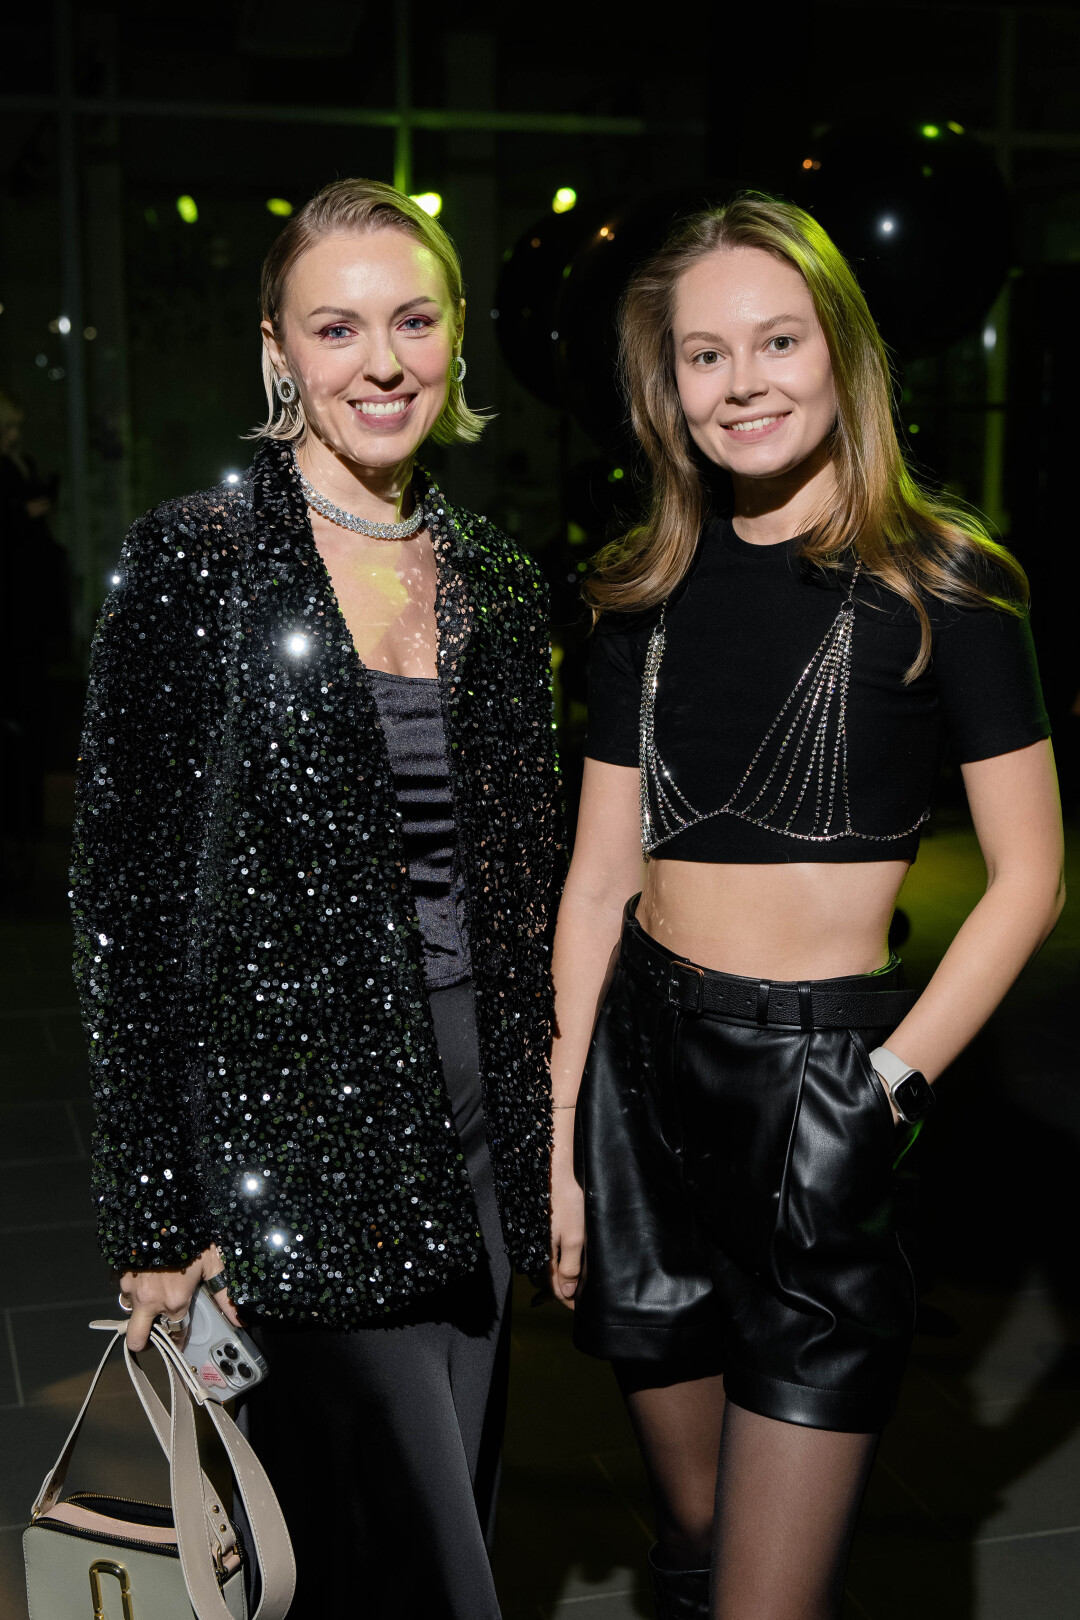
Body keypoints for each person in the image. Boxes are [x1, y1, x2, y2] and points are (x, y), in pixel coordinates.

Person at [546, 195, 1063, 1620]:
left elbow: (1029, 876)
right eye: (705, 355)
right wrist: (566, 1139)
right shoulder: (641, 592)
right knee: (694, 1539)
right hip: (637, 1084)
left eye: (778, 341)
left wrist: (888, 1088)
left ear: (842, 350)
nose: (744, 382)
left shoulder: (948, 583)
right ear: (668, 386)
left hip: (818, 1089)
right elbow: (598, 881)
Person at [70, 179, 562, 1619]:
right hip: (293, 1147)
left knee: (436, 1510)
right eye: (337, 328)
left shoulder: (496, 580)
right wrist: (156, 1209)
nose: (383, 362)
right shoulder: (194, 565)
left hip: (476, 1136)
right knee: (410, 1563)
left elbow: (527, 895)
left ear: (456, 335)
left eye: (414, 320)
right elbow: (124, 903)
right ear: (277, 351)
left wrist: (553, 1149)